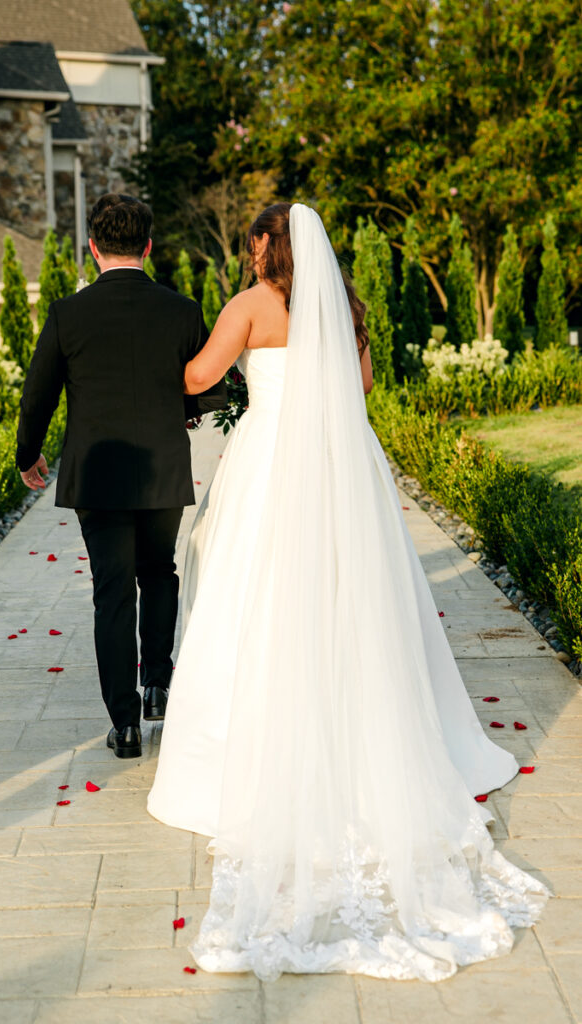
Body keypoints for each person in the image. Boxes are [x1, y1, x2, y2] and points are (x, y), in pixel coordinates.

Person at [147, 202, 548, 982]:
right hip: (339, 458)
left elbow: (197, 376)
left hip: (272, 462)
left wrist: (212, 368)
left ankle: (244, 744)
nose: (250, 251)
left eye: (254, 241)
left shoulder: (250, 305)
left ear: (265, 246)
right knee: (348, 586)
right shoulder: (345, 307)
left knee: (252, 587)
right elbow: (359, 385)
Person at [16, 193, 226, 760]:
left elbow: (38, 394)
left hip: (99, 474)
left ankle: (125, 724)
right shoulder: (182, 310)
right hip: (162, 468)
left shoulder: (68, 313)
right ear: (148, 247)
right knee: (159, 573)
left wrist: (27, 454)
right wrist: (182, 408)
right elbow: (209, 390)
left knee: (112, 592)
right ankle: (157, 684)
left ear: (93, 248)